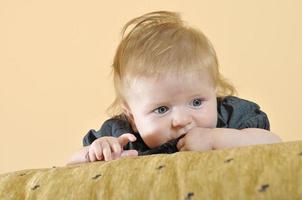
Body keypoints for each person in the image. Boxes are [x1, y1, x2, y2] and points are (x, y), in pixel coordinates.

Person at [67, 11, 281, 165]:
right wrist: (97, 152)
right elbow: (70, 165)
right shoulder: (123, 138)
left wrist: (216, 139)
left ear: (212, 91)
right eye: (161, 109)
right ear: (131, 115)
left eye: (197, 102)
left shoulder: (229, 117)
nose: (181, 120)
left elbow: (274, 143)